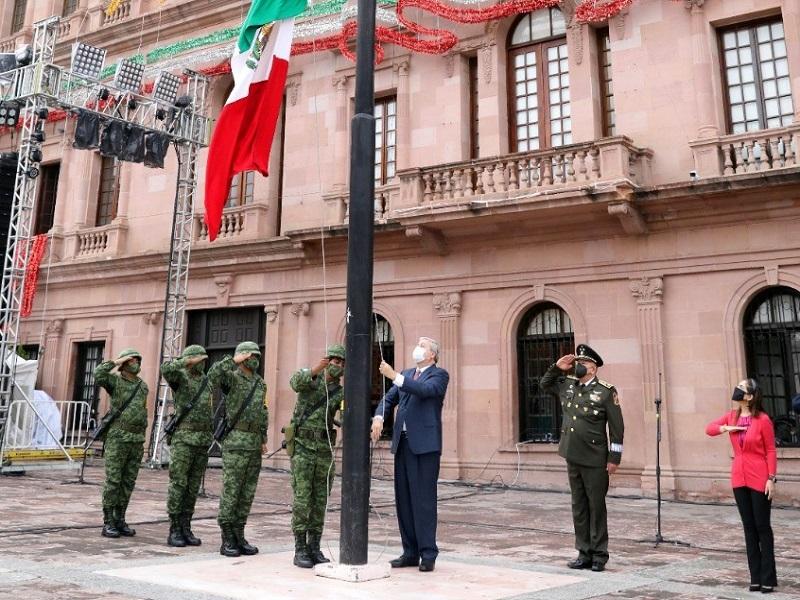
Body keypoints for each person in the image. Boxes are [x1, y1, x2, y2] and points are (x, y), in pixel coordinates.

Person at [540, 344, 624, 573]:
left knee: (596, 506)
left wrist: (614, 457)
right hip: (572, 454)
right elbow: (545, 384)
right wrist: (556, 367)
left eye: (583, 363)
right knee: (578, 506)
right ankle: (583, 553)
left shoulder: (606, 391)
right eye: (577, 362)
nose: (578, 366)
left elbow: (617, 428)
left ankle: (599, 555)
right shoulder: (567, 385)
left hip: (595, 458)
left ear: (593, 368)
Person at [371, 337, 449, 573]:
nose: (418, 347)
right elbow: (390, 398)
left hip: (425, 446)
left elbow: (425, 391)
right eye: (418, 343)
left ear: (432, 354)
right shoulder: (406, 373)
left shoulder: (438, 375)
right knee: (403, 499)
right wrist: (379, 416)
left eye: (423, 345)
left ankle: (428, 553)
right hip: (403, 444)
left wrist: (394, 376)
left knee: (423, 500)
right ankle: (410, 552)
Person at [706, 379, 778, 594]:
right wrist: (725, 427)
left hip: (760, 476)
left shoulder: (763, 419)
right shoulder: (732, 415)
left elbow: (771, 451)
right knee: (748, 527)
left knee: (762, 527)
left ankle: (768, 578)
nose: (737, 390)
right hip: (739, 476)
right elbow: (709, 429)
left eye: (742, 388)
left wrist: (771, 478)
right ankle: (754, 577)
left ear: (750, 396)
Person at [207, 341, 268, 558]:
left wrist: (263, 437)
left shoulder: (260, 383)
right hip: (235, 443)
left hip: (253, 444)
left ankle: (239, 535)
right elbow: (212, 375)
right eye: (252, 355)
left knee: (247, 493)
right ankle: (227, 538)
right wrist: (233, 360)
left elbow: (263, 411)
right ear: (242, 357)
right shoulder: (231, 377)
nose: (256, 359)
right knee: (232, 491)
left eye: (258, 356)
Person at [288, 344, 346, 568]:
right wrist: (315, 369)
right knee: (303, 499)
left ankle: (314, 546)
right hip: (303, 447)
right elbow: (294, 383)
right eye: (334, 361)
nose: (337, 366)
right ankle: (300, 548)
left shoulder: (341, 392)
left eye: (341, 363)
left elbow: (342, 415)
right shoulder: (310, 380)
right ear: (326, 361)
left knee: (321, 499)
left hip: (324, 449)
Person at [94, 348, 149, 539]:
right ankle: (108, 521)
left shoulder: (143, 386)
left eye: (138, 360)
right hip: (118, 438)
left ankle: (120, 519)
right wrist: (117, 361)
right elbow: (98, 374)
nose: (137, 363)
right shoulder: (115, 381)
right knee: (114, 481)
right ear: (125, 364)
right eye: (133, 360)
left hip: (136, 439)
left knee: (128, 482)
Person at [161, 344, 213, 547]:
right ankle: (174, 529)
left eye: (204, 360)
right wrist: (185, 360)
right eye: (199, 359)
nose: (202, 363)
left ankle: (186, 526)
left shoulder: (206, 381)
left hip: (202, 439)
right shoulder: (181, 377)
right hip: (184, 438)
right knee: (179, 484)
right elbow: (166, 369)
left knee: (192, 486)